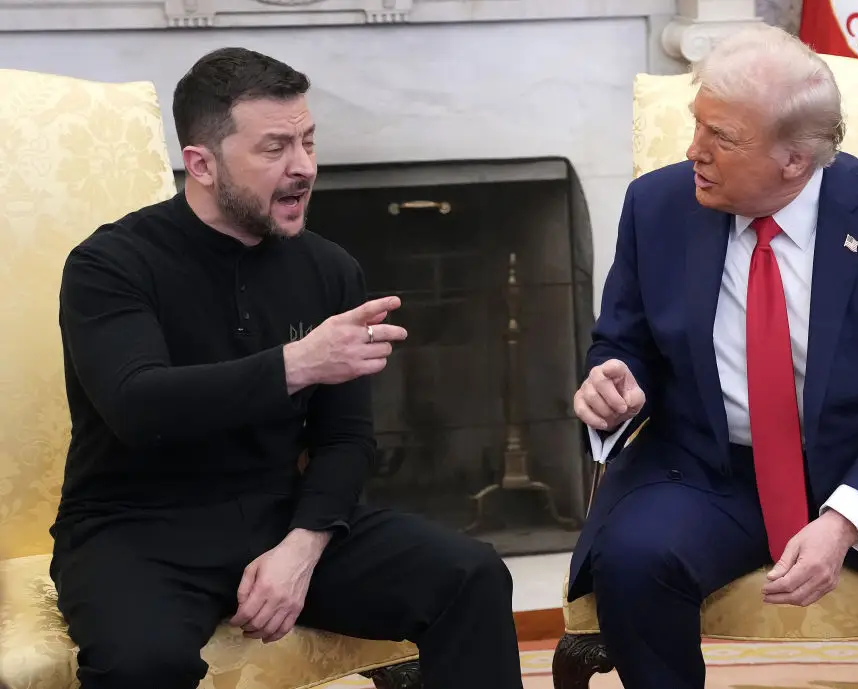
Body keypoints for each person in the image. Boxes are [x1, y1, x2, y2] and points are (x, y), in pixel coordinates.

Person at [49, 46, 524, 689]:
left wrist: (302, 547)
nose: (303, 167)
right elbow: (138, 405)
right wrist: (297, 364)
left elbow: (345, 437)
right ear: (201, 164)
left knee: (471, 576)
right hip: (136, 531)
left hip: (281, 518)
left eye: (307, 141)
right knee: (141, 664)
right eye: (275, 149)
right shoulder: (110, 264)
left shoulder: (329, 269)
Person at [568, 24, 858, 689]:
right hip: (708, 467)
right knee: (633, 559)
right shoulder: (657, 206)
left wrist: (843, 518)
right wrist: (613, 382)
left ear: (794, 159)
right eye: (698, 127)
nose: (693, 150)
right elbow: (622, 342)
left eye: (720, 139)